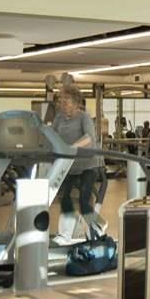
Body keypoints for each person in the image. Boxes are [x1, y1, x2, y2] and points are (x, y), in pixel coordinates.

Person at [51, 87, 102, 243]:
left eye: (66, 101)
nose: (62, 104)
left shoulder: (84, 117)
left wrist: (73, 147)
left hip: (88, 165)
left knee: (83, 200)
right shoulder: (59, 118)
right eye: (61, 101)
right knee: (65, 198)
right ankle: (65, 234)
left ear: (75, 102)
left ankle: (98, 227)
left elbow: (89, 138)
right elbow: (52, 136)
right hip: (69, 165)